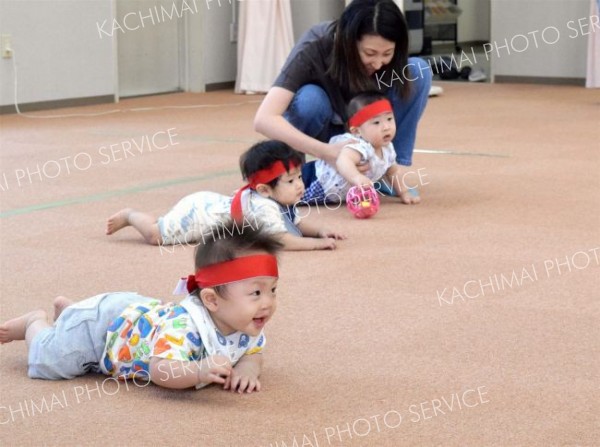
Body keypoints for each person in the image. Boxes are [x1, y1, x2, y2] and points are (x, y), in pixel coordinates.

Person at [0, 224, 282, 392]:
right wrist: (197, 371)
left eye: (272, 290)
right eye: (256, 293)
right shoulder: (184, 329)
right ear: (211, 300)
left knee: (77, 322)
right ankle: (34, 323)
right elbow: (159, 369)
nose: (267, 303)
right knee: (50, 361)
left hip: (131, 317)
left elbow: (253, 352)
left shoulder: (248, 323)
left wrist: (248, 368)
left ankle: (71, 312)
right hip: (102, 332)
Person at [254, 0, 432, 178]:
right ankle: (296, 174)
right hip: (327, 130)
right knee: (311, 99)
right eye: (369, 54)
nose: (378, 64)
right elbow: (264, 119)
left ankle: (388, 170)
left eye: (387, 54)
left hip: (368, 127)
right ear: (348, 41)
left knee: (418, 70)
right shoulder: (316, 45)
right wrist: (327, 152)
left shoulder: (390, 59)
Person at [106, 140, 346, 251]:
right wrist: (316, 244)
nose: (299, 186)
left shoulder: (278, 200)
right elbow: (282, 239)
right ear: (264, 189)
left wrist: (321, 230)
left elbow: (296, 222)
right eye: (291, 181)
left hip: (210, 203)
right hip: (200, 213)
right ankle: (131, 215)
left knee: (164, 225)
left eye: (300, 177)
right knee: (155, 235)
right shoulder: (264, 206)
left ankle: (159, 218)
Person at [301, 92, 421, 205]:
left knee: (291, 197)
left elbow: (393, 172)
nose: (386, 127)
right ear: (357, 131)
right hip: (315, 179)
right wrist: (356, 177)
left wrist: (403, 192)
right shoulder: (359, 145)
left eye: (389, 119)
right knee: (288, 194)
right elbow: (343, 160)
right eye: (376, 122)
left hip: (331, 194)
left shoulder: (388, 148)